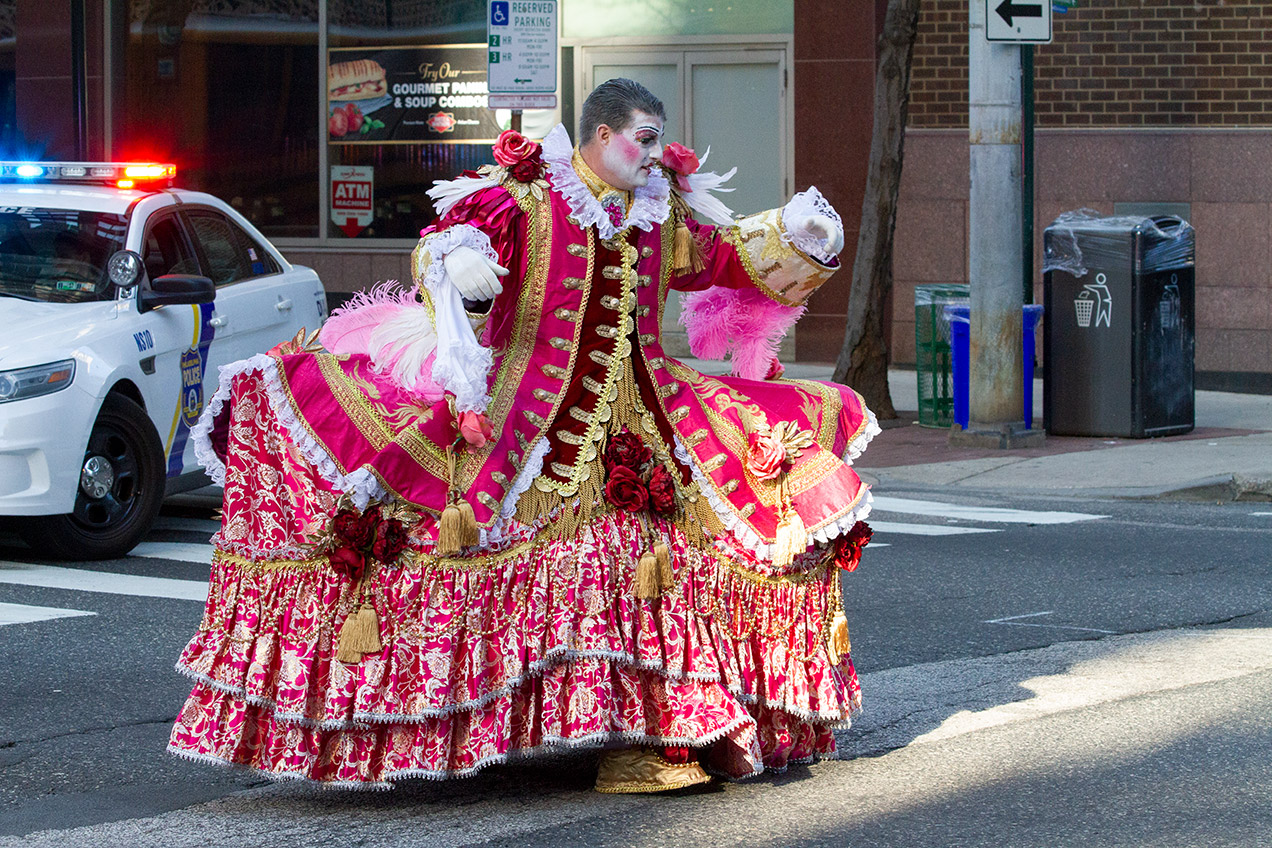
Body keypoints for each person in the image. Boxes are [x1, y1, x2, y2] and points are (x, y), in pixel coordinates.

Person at [169, 78, 877, 791]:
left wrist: (794, 236)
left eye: (660, 138)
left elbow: (721, 256)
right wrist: (456, 259)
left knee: (671, 549)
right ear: (602, 136)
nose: (657, 154)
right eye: (646, 137)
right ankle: (545, 729)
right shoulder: (529, 195)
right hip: (529, 425)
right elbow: (438, 246)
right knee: (491, 545)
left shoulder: (659, 214)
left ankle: (650, 737)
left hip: (652, 416)